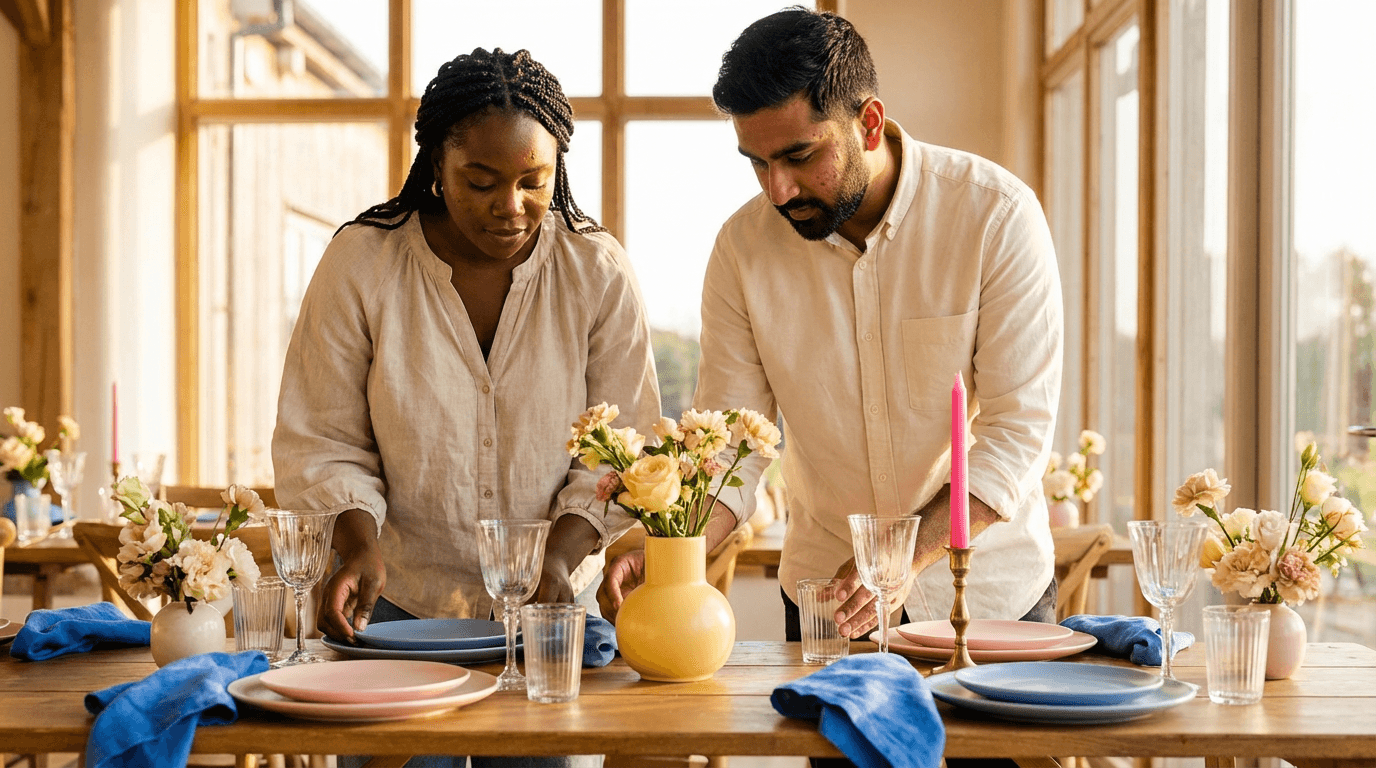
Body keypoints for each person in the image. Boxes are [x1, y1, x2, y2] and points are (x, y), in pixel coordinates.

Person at [601, 8, 1062, 645]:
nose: (778, 190)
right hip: (826, 607)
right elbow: (735, 444)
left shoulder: (995, 216)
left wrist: (898, 558)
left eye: (798, 156)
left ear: (868, 123)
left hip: (987, 598)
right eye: (757, 163)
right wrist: (671, 549)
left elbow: (1016, 434)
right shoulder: (742, 249)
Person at [273, 46, 658, 768]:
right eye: (479, 182)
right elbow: (322, 437)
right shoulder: (362, 264)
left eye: (532, 183)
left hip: (548, 624)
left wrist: (564, 552)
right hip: (396, 617)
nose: (509, 208)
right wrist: (357, 544)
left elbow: (623, 443)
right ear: (436, 170)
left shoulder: (596, 271)